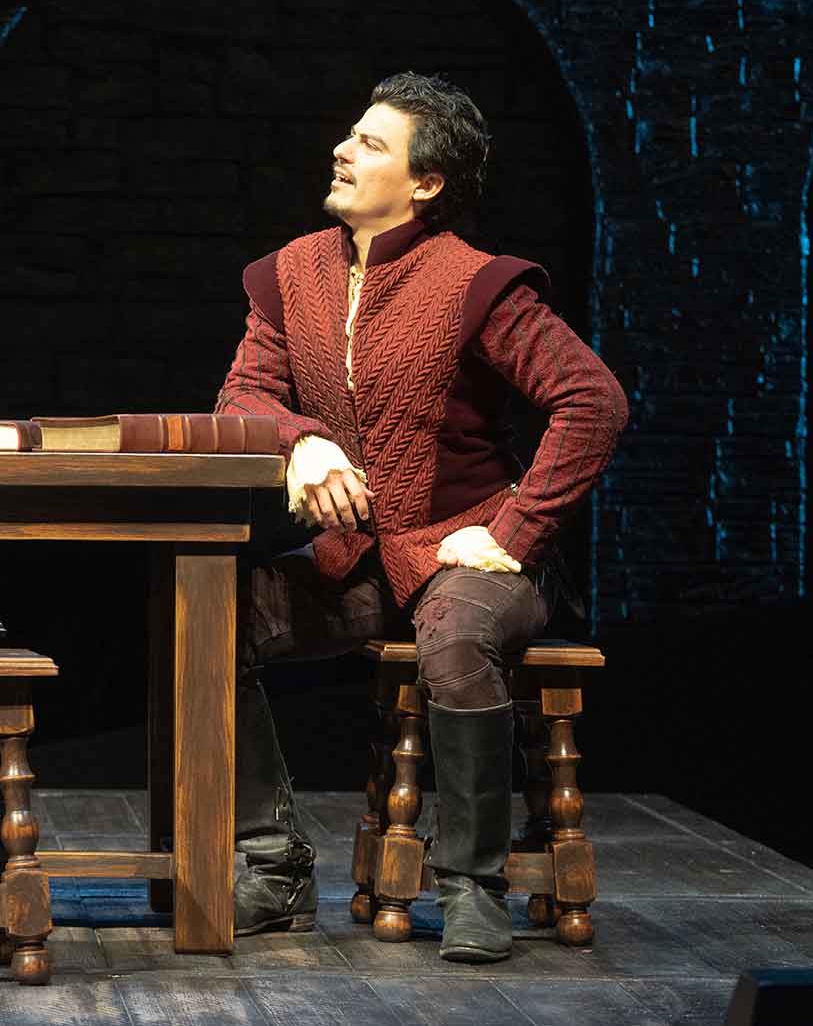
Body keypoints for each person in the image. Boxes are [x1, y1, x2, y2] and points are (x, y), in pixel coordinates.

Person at [214, 72, 627, 961]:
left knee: (453, 640)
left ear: (426, 183)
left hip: (470, 551)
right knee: (209, 611)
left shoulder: (477, 283)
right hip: (360, 562)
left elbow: (592, 400)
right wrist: (303, 443)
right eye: (350, 135)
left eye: (370, 143)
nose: (343, 149)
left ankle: (472, 883)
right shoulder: (293, 274)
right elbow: (244, 391)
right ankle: (271, 862)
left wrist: (514, 531)